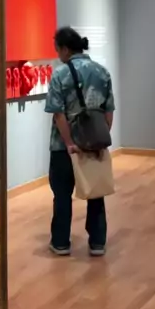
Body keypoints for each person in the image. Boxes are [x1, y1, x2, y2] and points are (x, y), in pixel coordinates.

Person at [45, 26, 115, 257]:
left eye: (58, 50)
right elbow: (108, 111)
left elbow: (58, 114)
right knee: (96, 192)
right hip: (94, 143)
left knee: (62, 195)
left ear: (65, 49)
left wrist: (69, 143)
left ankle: (61, 243)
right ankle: (97, 242)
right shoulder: (102, 72)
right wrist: (99, 138)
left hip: (63, 147)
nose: (58, 55)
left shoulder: (60, 74)